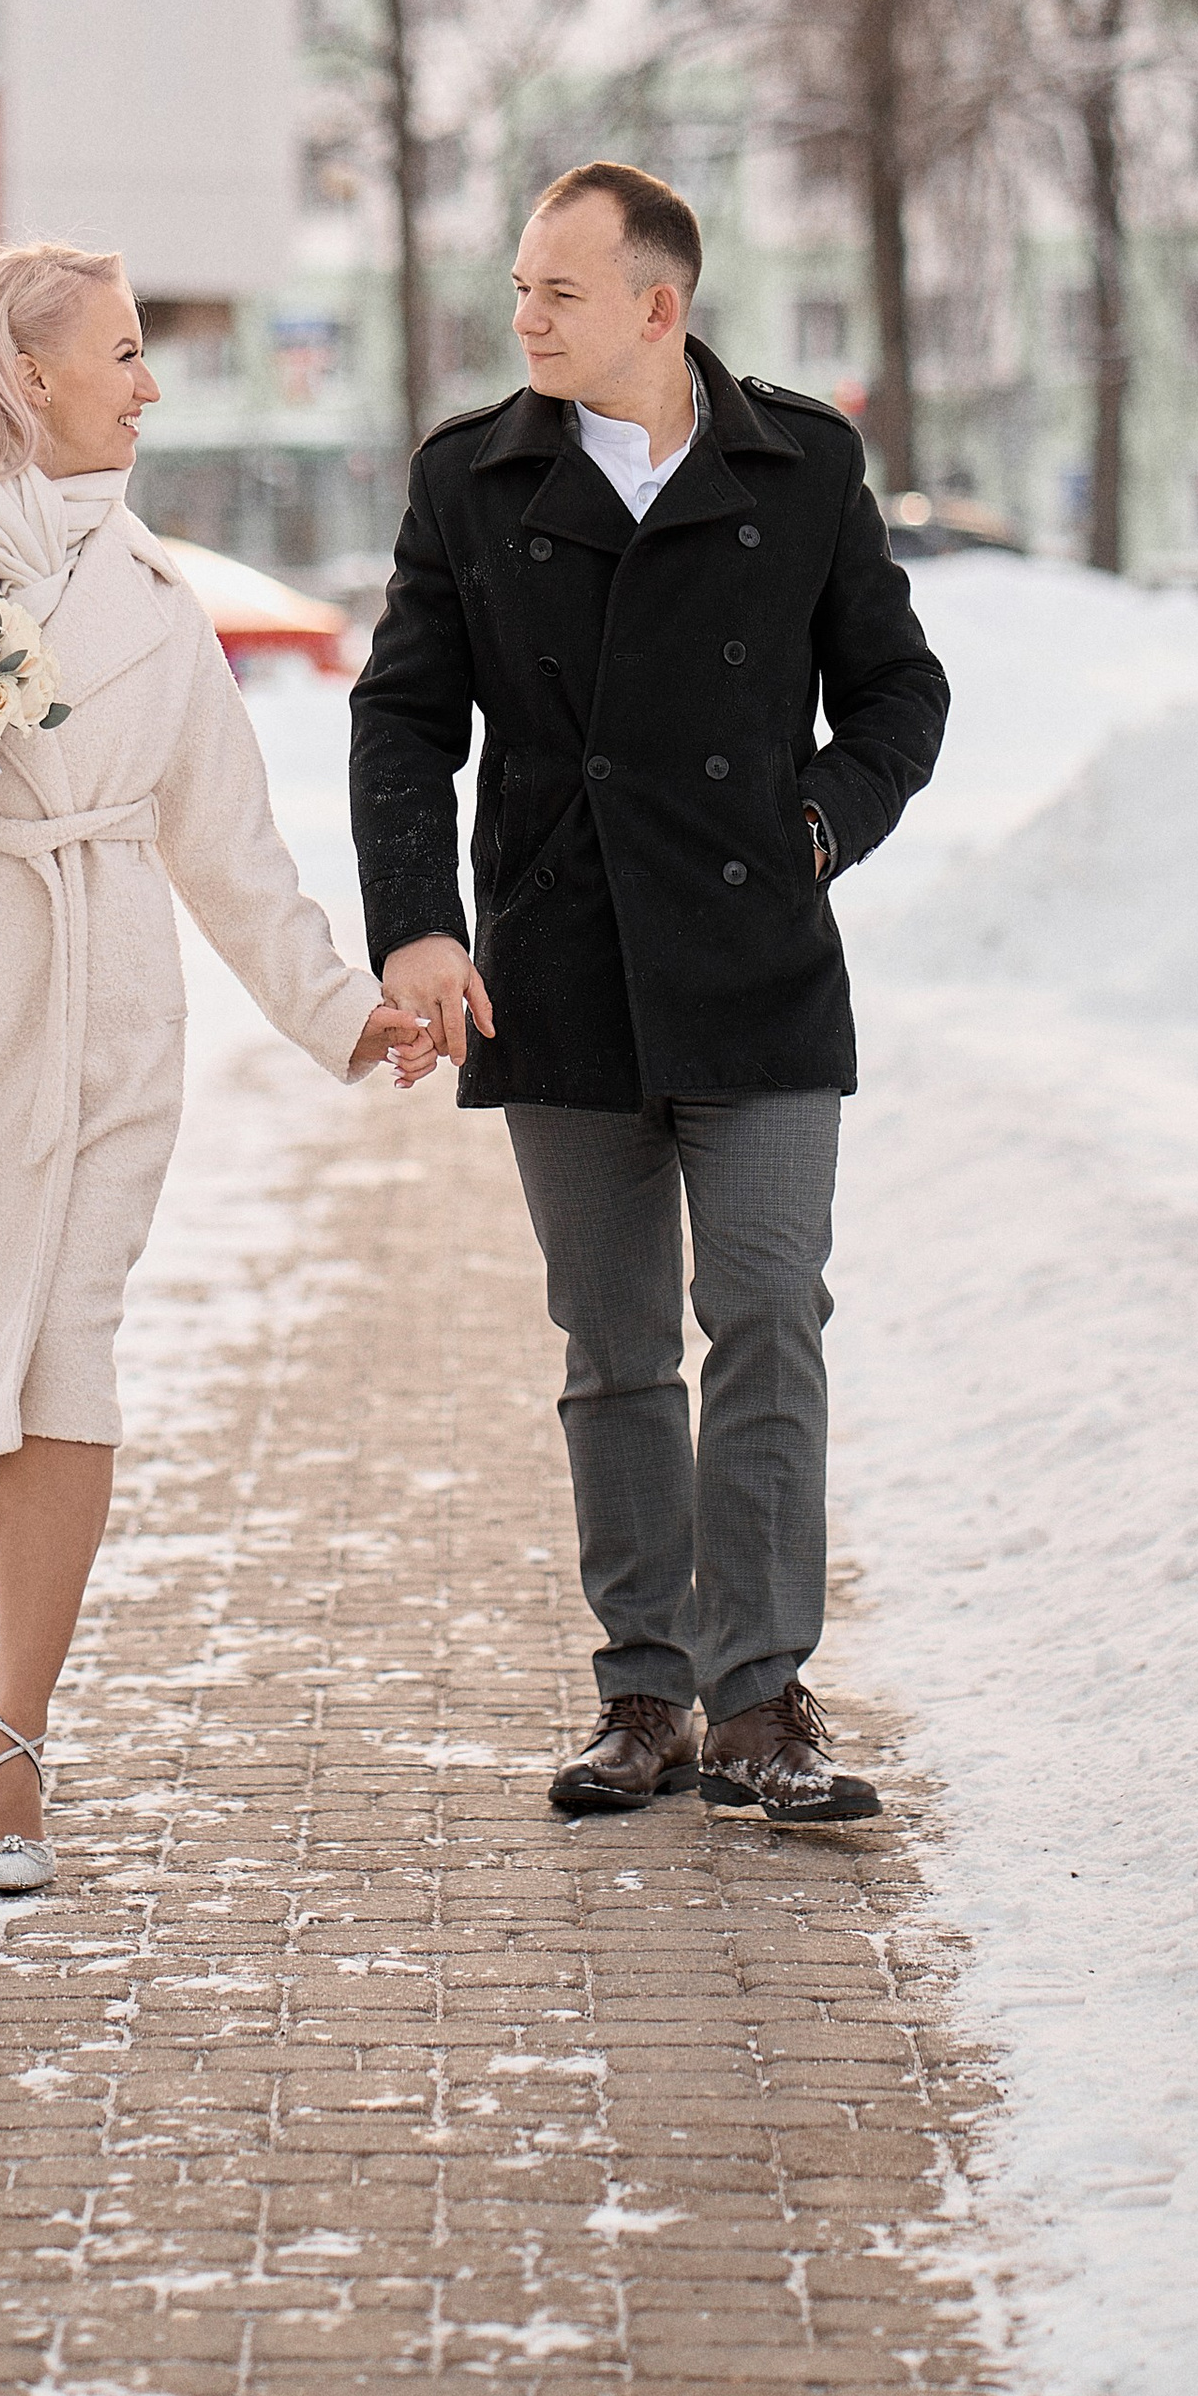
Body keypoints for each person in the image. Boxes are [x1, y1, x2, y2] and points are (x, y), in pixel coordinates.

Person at [0, 241, 431, 1894]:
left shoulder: (153, 602)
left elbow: (230, 846)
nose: (149, 380)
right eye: (121, 350)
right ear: (26, 374)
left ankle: (19, 1752)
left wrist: (337, 1011)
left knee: (62, 1350)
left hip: (98, 993)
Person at [349, 162, 949, 1825]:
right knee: (613, 1348)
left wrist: (821, 824)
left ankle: (762, 1701)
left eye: (557, 291)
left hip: (758, 970)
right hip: (560, 968)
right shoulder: (473, 478)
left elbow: (900, 689)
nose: (523, 317)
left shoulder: (800, 460)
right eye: (520, 289)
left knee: (767, 1313)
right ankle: (644, 1692)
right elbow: (404, 716)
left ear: (656, 307)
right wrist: (419, 925)